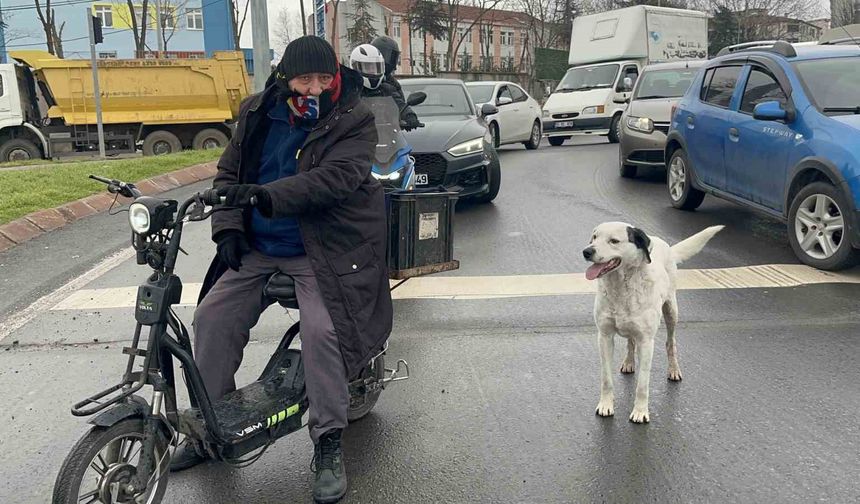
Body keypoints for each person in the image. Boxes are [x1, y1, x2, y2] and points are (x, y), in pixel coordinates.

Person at [170, 35, 393, 504]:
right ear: (284, 77)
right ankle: (210, 429)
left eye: (323, 77)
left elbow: (335, 179)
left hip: (325, 249)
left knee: (324, 332)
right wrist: (228, 229)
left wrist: (270, 196)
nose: (313, 88)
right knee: (212, 317)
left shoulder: (353, 117)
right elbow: (229, 175)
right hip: (260, 246)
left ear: (335, 76)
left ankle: (328, 441)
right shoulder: (256, 113)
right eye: (304, 78)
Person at [350, 43, 422, 130]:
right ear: (354, 67)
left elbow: (400, 104)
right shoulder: (349, 91)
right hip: (358, 138)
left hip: (388, 137)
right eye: (368, 67)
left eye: (376, 67)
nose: (373, 71)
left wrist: (409, 116)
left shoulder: (387, 89)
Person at [370, 35, 421, 129]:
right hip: (361, 135)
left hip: (389, 134)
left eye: (394, 58)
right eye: (391, 57)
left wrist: (408, 115)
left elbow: (399, 102)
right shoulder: (355, 84)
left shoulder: (390, 84)